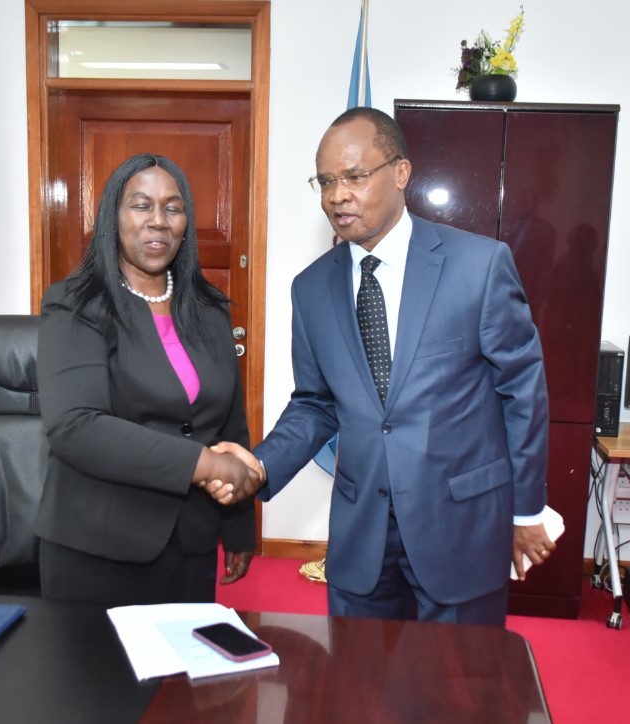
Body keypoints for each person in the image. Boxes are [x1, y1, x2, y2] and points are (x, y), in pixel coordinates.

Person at [214, 107, 555, 627]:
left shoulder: (478, 266)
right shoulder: (310, 289)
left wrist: (526, 511)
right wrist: (260, 466)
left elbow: (522, 392)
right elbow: (316, 403)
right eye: (326, 181)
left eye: (354, 176)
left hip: (460, 526)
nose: (337, 195)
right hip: (362, 533)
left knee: (461, 692)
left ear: (401, 173)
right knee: (360, 691)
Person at [35, 153, 261, 607]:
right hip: (98, 550)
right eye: (141, 205)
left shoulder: (210, 308)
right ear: (112, 218)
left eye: (173, 208)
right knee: (97, 680)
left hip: (190, 547)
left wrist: (238, 524)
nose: (158, 221)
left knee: (182, 678)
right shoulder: (75, 304)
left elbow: (229, 424)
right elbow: (76, 426)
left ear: (186, 223)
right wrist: (206, 465)